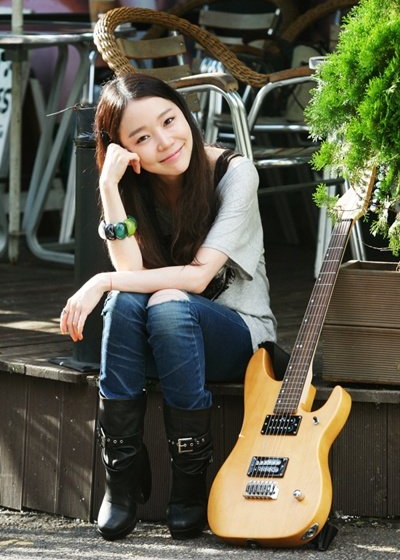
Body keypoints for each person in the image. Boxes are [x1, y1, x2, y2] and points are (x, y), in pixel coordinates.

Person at [60, 73, 277, 542]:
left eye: (169, 121)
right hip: (160, 340)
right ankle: (121, 474)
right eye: (141, 137)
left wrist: (100, 280)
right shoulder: (131, 185)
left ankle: (188, 485)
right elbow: (131, 271)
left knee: (165, 302)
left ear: (185, 114)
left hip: (237, 336)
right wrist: (110, 186)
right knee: (130, 300)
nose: (164, 142)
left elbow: (197, 277)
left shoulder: (235, 173)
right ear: (122, 149)